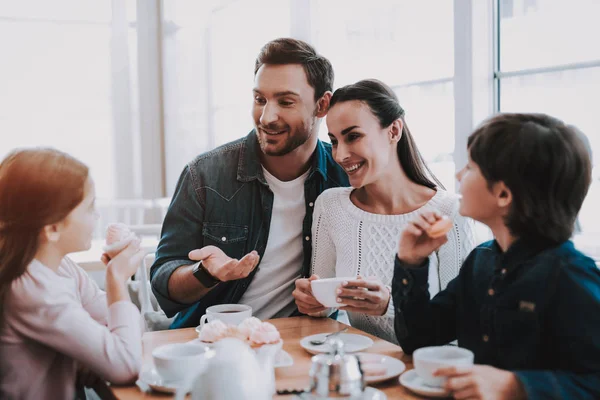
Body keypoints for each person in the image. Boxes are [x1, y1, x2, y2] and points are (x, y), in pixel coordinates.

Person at [393, 113, 600, 399]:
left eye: (470, 167)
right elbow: (417, 339)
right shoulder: (481, 261)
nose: (458, 175)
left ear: (503, 194)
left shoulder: (571, 275)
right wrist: (410, 262)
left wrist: (516, 386)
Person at [150, 38, 349, 329]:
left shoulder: (343, 178)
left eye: (286, 101)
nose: (267, 117)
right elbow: (163, 283)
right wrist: (206, 273)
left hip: (301, 343)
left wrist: (329, 298)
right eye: (260, 100)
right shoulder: (204, 174)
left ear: (322, 105)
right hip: (212, 342)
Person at [292, 79, 476, 343]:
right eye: (334, 141)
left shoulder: (449, 211)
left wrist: (389, 304)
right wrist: (314, 301)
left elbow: (462, 322)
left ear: (393, 131)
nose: (340, 154)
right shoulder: (330, 206)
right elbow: (326, 306)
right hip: (360, 367)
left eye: (353, 136)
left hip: (424, 373)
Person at [0, 148, 146, 400]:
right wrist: (116, 280)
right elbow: (125, 365)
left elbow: (131, 332)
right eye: (90, 208)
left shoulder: (60, 267)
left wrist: (90, 353)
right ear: (53, 229)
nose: (97, 216)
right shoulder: (34, 290)